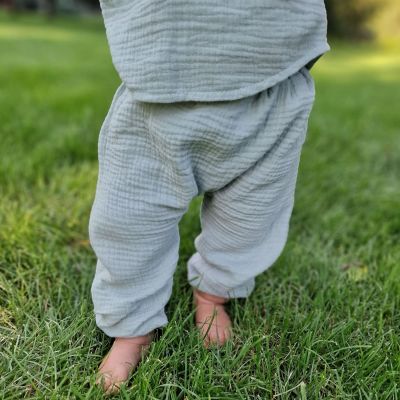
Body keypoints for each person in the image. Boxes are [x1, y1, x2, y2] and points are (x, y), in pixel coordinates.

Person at [88, 0, 330, 394]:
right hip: (163, 73)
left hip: (272, 75)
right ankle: (132, 327)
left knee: (250, 215)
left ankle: (213, 292)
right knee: (130, 218)